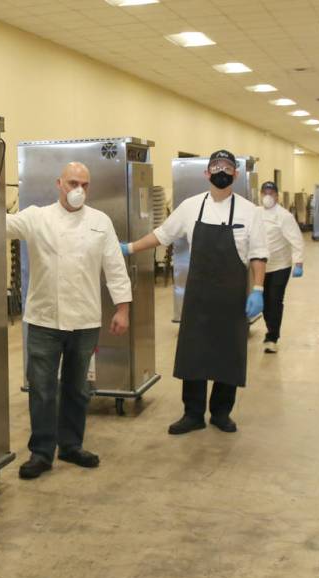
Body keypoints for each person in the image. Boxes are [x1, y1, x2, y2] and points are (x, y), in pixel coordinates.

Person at [121, 150, 268, 434]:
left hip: (232, 297)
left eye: (227, 166)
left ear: (235, 174)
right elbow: (163, 235)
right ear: (207, 173)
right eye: (216, 166)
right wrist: (130, 248)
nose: (221, 171)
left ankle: (221, 413)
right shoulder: (191, 207)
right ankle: (193, 413)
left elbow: (258, 254)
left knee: (229, 353)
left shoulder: (250, 212)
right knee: (194, 354)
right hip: (198, 298)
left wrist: (258, 289)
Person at [7, 162, 131, 480]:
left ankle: (72, 445)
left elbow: (114, 266)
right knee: (43, 388)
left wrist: (122, 308)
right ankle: (41, 452)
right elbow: (2, 225)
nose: (78, 190)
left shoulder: (100, 222)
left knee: (77, 388)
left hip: (85, 320)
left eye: (84, 185)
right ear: (58, 183)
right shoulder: (37, 217)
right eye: (72, 182)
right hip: (44, 319)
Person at [258, 181, 305, 353]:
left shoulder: (284, 216)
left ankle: (272, 337)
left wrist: (298, 262)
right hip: (261, 266)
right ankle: (271, 329)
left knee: (275, 301)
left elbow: (296, 240)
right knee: (264, 302)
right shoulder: (255, 213)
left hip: (280, 266)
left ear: (277, 196)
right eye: (265, 193)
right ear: (261, 195)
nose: (268, 196)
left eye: (271, 193)